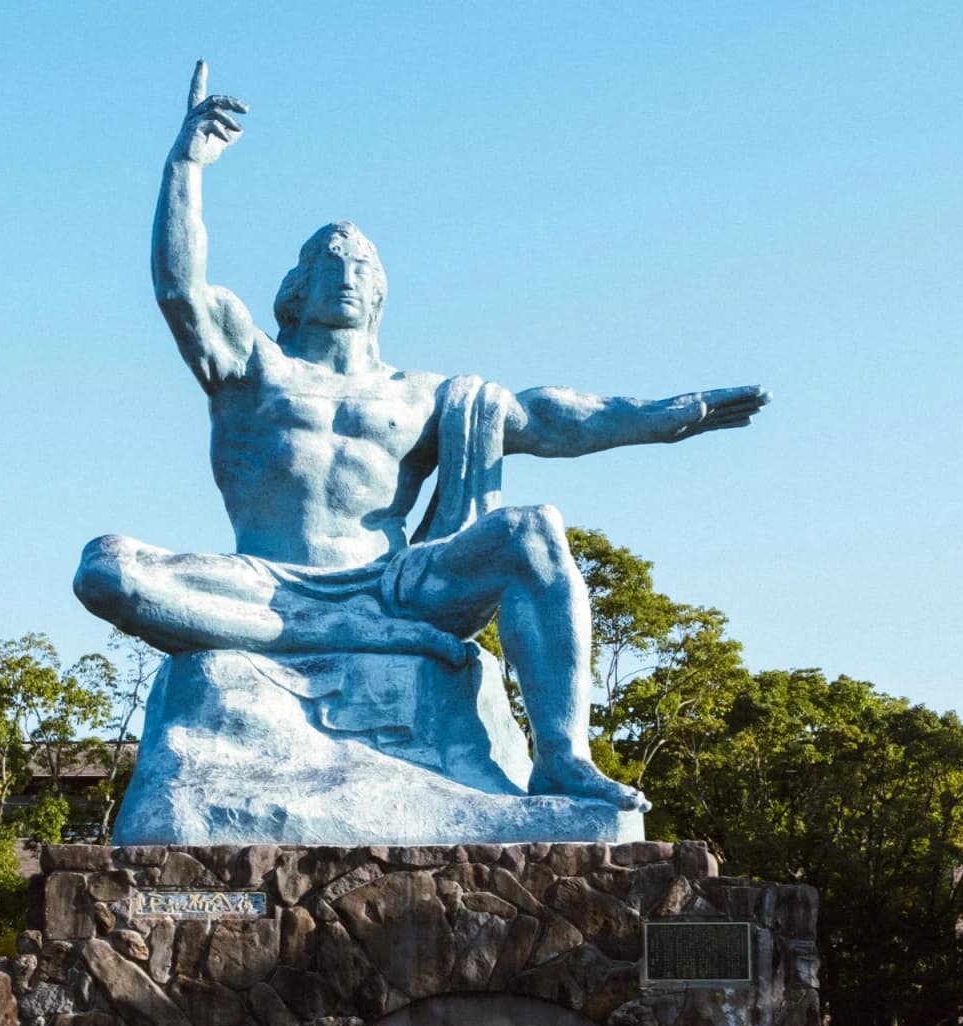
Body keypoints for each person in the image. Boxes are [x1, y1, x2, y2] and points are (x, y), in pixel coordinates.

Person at [74, 63, 769, 812]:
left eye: (363, 265)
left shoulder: (427, 395)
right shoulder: (253, 368)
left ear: (380, 292)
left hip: (397, 585)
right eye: (328, 262)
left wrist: (665, 417)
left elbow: (555, 418)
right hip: (263, 580)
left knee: (534, 532)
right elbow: (181, 288)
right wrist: (186, 165)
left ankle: (564, 757)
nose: (347, 273)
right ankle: (343, 630)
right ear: (296, 289)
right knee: (107, 571)